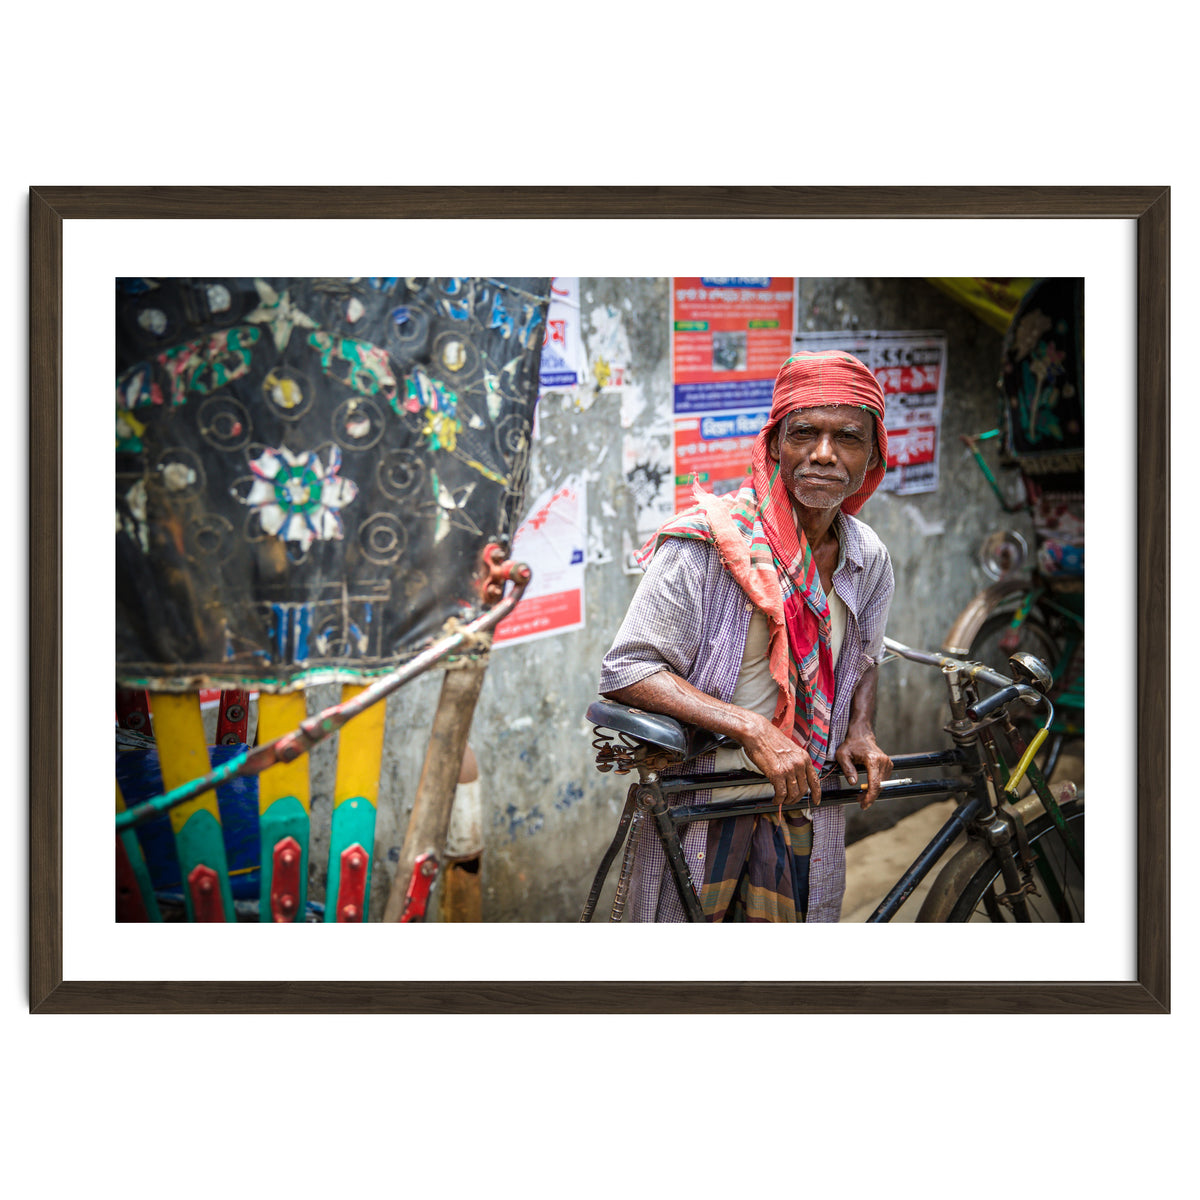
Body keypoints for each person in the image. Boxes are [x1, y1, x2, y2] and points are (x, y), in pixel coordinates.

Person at [598, 350, 895, 922]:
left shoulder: (867, 558)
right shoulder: (707, 547)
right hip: (706, 804)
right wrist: (753, 728)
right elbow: (628, 670)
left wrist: (860, 728)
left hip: (804, 799)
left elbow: (863, 656)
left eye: (848, 438)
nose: (824, 454)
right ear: (775, 444)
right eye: (804, 433)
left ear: (874, 455)